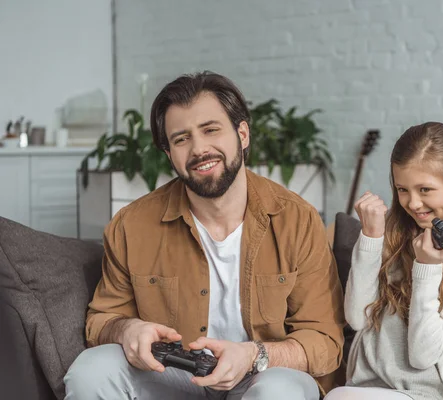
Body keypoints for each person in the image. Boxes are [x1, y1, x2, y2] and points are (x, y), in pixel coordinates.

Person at [64, 71, 345, 400]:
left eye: (211, 130)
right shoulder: (132, 225)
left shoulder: (298, 221)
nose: (199, 149)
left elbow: (325, 340)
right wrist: (127, 329)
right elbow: (101, 320)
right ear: (169, 154)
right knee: (93, 368)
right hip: (174, 375)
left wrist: (254, 355)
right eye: (181, 139)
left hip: (261, 375)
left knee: (279, 391)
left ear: (242, 134)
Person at [325, 122, 443, 400]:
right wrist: (371, 237)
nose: (413, 203)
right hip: (368, 387)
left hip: (431, 393)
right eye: (402, 189)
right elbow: (357, 318)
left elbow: (423, 355)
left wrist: (428, 268)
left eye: (425, 190)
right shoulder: (388, 235)